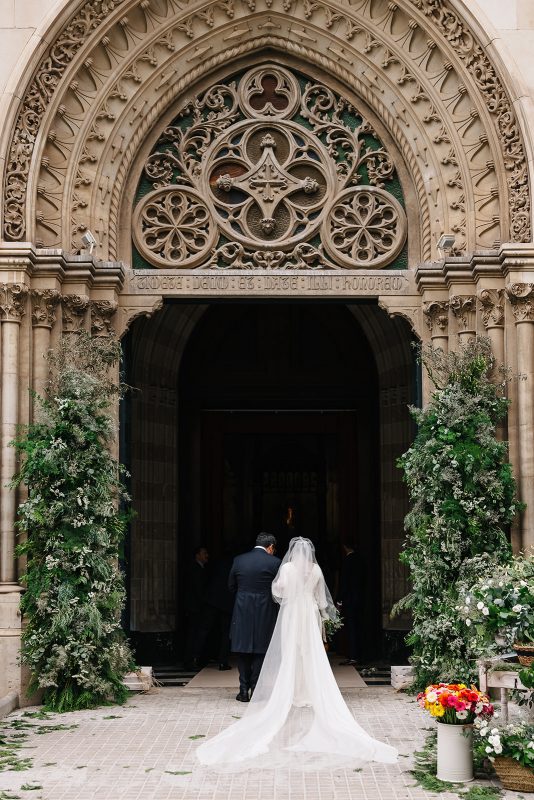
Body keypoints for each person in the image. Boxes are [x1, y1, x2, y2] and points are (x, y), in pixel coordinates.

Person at [196, 537, 397, 772]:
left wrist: (290, 596)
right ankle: (309, 691)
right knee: (309, 653)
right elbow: (323, 599)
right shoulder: (316, 570)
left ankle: (290, 691)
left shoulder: (287, 568)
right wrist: (320, 611)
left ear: (293, 553)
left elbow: (277, 591)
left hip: (291, 613)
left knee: (289, 652)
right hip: (309, 615)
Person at [227, 533, 281, 702]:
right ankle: (256, 688)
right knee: (260, 649)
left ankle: (243, 690)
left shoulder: (239, 560)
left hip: (242, 609)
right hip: (265, 609)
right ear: (270, 547)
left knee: (242, 649)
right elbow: (279, 589)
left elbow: (231, 586)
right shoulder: (275, 562)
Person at [183, 545, 210, 670]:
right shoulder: (195, 569)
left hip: (195, 607)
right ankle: (191, 660)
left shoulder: (199, 569)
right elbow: (199, 590)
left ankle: (194, 659)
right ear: (197, 555)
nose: (207, 556)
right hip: (196, 608)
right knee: (194, 635)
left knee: (195, 634)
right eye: (204, 553)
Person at [337, 542, 360, 666]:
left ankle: (353, 656)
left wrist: (339, 600)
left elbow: (344, 583)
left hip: (350, 600)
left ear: (345, 546)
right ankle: (357, 655)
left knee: (351, 628)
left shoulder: (348, 561)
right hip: (360, 599)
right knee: (357, 626)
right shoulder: (360, 560)